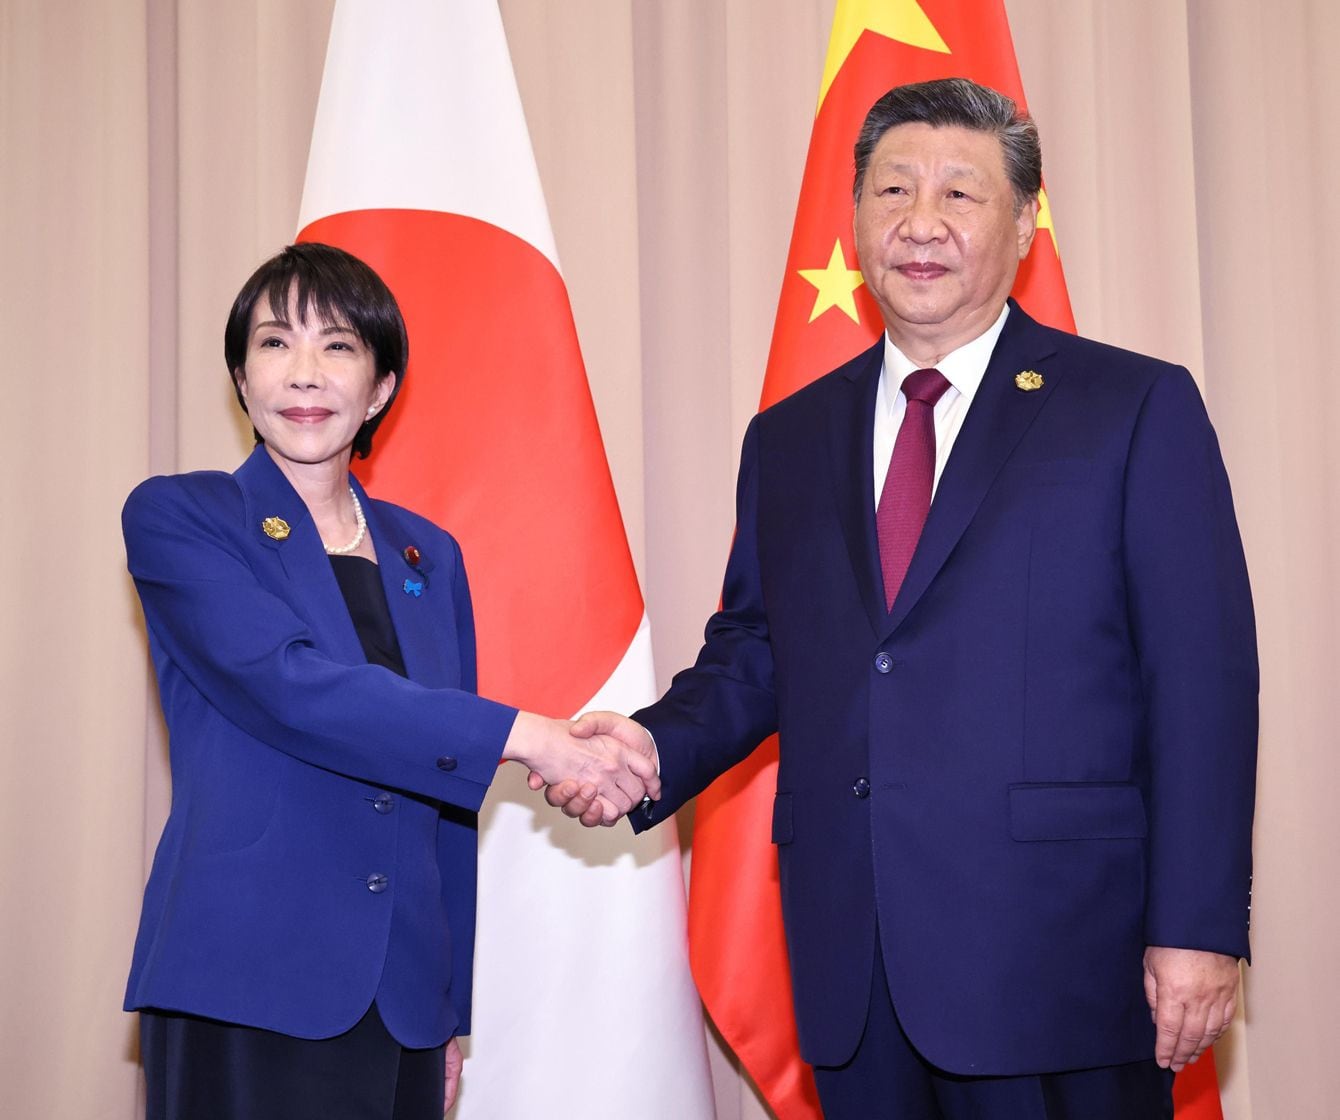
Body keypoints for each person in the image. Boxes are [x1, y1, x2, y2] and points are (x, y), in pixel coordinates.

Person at [546, 78, 1257, 1118]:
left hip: (1057, 955)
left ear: (1024, 225)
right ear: (855, 218)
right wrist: (649, 749)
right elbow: (758, 648)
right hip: (854, 958)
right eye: (892, 190)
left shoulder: (1131, 407)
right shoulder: (788, 437)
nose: (920, 223)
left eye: (959, 193)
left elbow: (1200, 683)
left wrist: (1196, 925)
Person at [122, 242, 658, 1120]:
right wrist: (527, 736)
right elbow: (292, 688)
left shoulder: (428, 554)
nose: (304, 371)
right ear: (241, 378)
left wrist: (446, 1010)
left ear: (379, 390)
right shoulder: (183, 516)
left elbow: (443, 795)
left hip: (401, 998)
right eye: (274, 343)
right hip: (247, 976)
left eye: (337, 345)